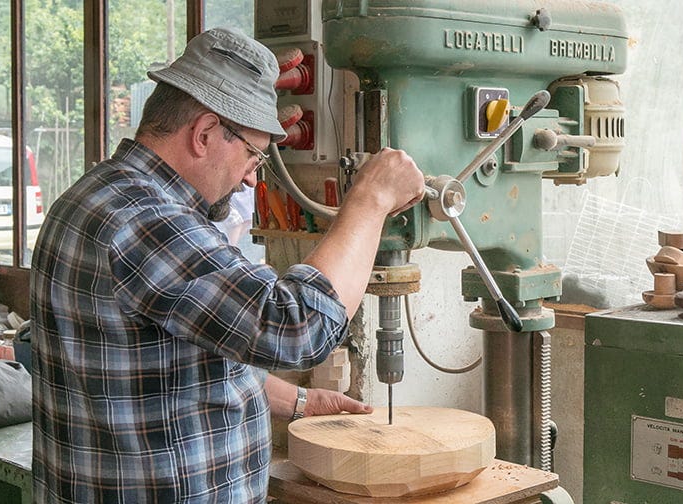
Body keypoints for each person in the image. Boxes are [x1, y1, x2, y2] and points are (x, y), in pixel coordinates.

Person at [30, 27, 425, 503]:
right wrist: (370, 199)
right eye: (254, 154)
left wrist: (301, 401)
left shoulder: (96, 195)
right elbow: (299, 327)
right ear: (204, 133)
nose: (251, 177)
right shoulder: (145, 219)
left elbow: (175, 362)